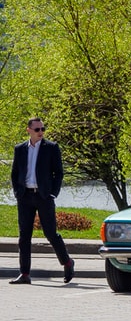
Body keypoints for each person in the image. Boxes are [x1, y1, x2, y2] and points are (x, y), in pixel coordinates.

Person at [10, 117, 73, 285]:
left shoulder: (51, 148)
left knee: (50, 233)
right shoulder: (20, 149)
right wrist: (18, 192)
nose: (41, 132)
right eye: (37, 129)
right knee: (24, 236)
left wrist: (53, 193)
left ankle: (67, 262)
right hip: (25, 196)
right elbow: (15, 173)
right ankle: (24, 273)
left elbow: (58, 173)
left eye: (42, 129)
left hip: (44, 196)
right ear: (28, 130)